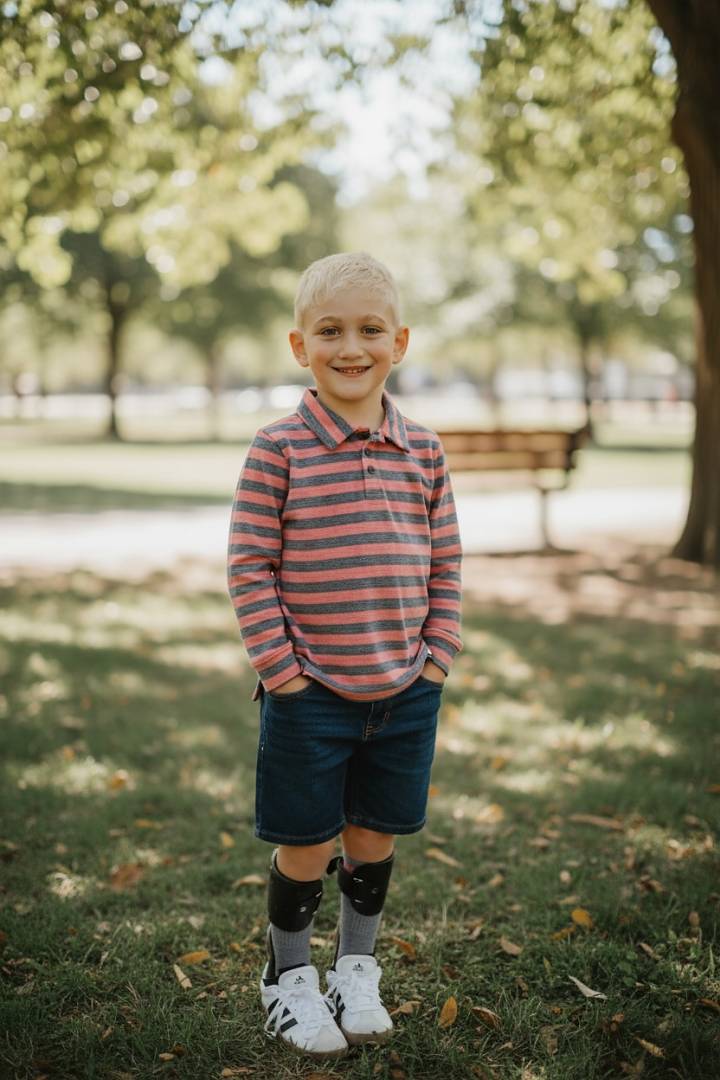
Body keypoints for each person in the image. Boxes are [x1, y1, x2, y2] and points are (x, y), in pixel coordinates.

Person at [227, 251, 463, 1059]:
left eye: (369, 330)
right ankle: (288, 979)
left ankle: (354, 967)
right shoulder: (279, 449)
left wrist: (438, 655)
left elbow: (448, 562)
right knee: (306, 841)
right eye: (330, 330)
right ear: (300, 346)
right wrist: (282, 671)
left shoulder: (424, 452)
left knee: (373, 837)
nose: (350, 346)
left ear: (399, 341)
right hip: (310, 692)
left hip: (406, 687)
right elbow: (249, 566)